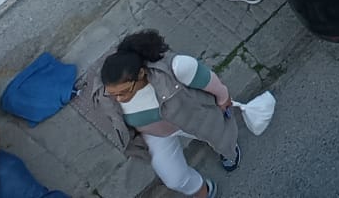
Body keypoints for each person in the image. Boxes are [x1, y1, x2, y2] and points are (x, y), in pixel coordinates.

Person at [82, 31, 246, 198]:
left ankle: (229, 151)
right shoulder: (106, 93)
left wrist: (223, 97)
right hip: (155, 134)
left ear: (140, 74)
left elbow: (210, 81)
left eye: (124, 92)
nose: (119, 99)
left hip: (191, 117)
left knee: (220, 136)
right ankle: (203, 190)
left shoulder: (176, 68)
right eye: (113, 94)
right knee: (173, 179)